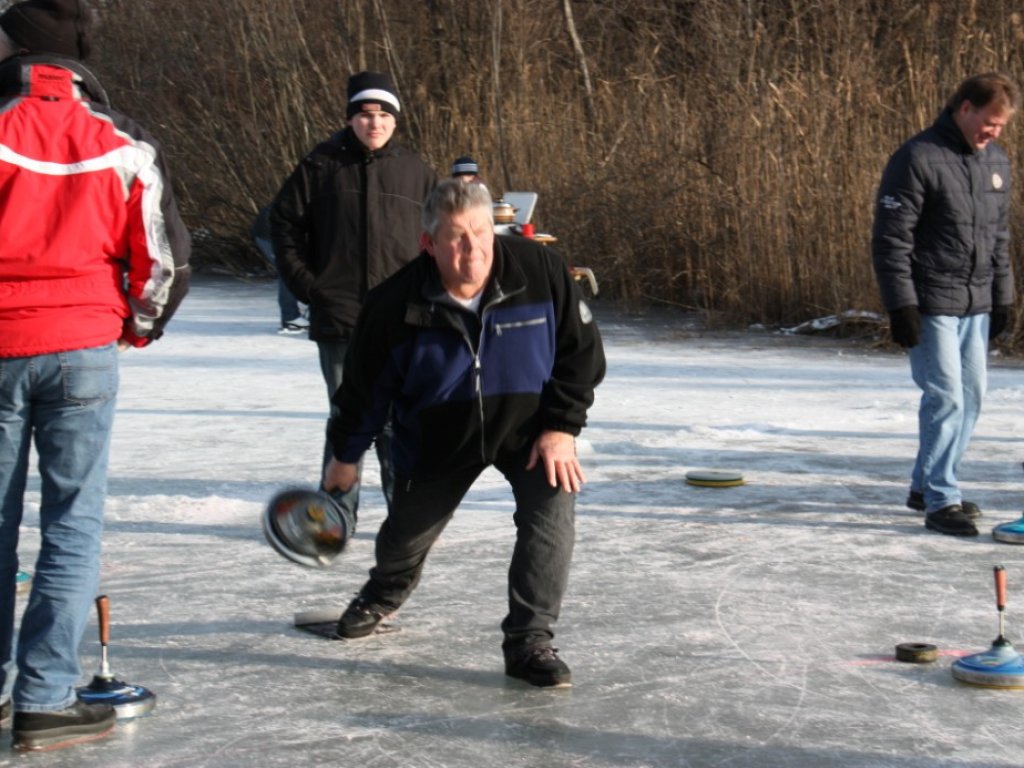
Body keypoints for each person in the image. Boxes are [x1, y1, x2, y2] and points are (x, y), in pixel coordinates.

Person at [0, 0, 191, 751]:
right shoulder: (120, 139)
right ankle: (44, 697)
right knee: (71, 526)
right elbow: (164, 258)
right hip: (81, 346)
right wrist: (135, 325)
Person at [323, 180, 606, 687]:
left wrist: (561, 427)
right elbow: (363, 393)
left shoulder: (539, 271)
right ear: (427, 243)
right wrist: (345, 455)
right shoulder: (392, 305)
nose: (472, 249)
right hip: (438, 435)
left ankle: (529, 641)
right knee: (403, 539)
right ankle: (385, 591)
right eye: (456, 237)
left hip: (529, 429)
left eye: (480, 233)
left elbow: (582, 355)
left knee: (552, 519)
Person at [270, 71, 437, 521]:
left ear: (396, 121)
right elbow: (281, 226)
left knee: (400, 417)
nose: (375, 123)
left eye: (384, 114)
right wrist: (311, 287)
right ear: (350, 119)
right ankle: (337, 512)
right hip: (340, 315)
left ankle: (407, 513)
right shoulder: (320, 166)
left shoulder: (417, 172)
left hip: (403, 318)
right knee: (348, 415)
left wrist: (432, 296)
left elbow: (440, 237)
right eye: (365, 115)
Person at [872, 72, 1017, 537]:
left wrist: (1004, 297)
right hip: (931, 299)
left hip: (975, 301)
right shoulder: (916, 157)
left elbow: (998, 238)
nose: (994, 133)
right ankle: (940, 499)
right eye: (990, 122)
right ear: (965, 108)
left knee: (971, 398)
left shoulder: (995, 161)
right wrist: (901, 307)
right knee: (946, 398)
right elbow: (891, 240)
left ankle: (925, 486)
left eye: (1002, 126)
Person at [251, 205, 308, 333]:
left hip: (278, 231)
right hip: (270, 234)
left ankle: (301, 316)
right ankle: (290, 319)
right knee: (288, 272)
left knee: (296, 271)